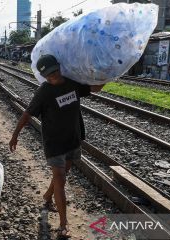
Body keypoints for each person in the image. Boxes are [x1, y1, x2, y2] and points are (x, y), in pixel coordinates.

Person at [9, 55, 104, 238]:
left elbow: (95, 88)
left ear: (59, 67)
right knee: (60, 179)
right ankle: (63, 224)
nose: (52, 76)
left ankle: (47, 196)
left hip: (72, 139)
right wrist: (15, 136)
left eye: (54, 71)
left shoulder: (72, 83)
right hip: (54, 143)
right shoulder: (44, 92)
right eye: (48, 75)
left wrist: (108, 75)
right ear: (43, 76)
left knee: (63, 174)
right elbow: (27, 114)